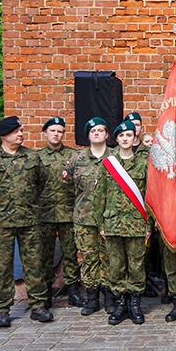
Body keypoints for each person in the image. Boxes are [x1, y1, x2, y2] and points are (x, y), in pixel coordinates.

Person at [0, 116, 50, 327]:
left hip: (29, 220)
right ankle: (3, 309)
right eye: (16, 131)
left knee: (34, 263)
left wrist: (27, 203)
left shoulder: (32, 158)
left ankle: (38, 305)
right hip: (0, 222)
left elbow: (40, 183)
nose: (21, 134)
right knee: (3, 266)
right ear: (4, 135)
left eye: (21, 130)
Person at [93, 120, 150, 325]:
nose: (126, 139)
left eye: (129, 135)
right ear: (116, 139)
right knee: (116, 266)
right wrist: (101, 225)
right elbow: (99, 197)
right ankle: (120, 304)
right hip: (113, 224)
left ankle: (135, 304)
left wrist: (148, 225)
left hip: (136, 223)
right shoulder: (108, 165)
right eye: (122, 136)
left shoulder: (144, 165)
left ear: (135, 138)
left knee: (136, 266)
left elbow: (149, 197)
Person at [37, 117, 83, 309]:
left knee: (71, 253)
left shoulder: (73, 156)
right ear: (45, 133)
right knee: (45, 254)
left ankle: (72, 290)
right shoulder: (37, 157)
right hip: (45, 213)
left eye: (60, 131)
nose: (56, 134)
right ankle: (46, 292)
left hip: (67, 211)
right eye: (53, 131)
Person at [69, 117, 112, 316]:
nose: (96, 133)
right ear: (88, 135)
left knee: (108, 258)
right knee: (88, 258)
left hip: (108, 218)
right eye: (93, 130)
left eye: (100, 130)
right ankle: (92, 298)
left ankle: (110, 298)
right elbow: (68, 187)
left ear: (106, 135)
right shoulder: (77, 159)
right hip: (84, 219)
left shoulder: (114, 158)